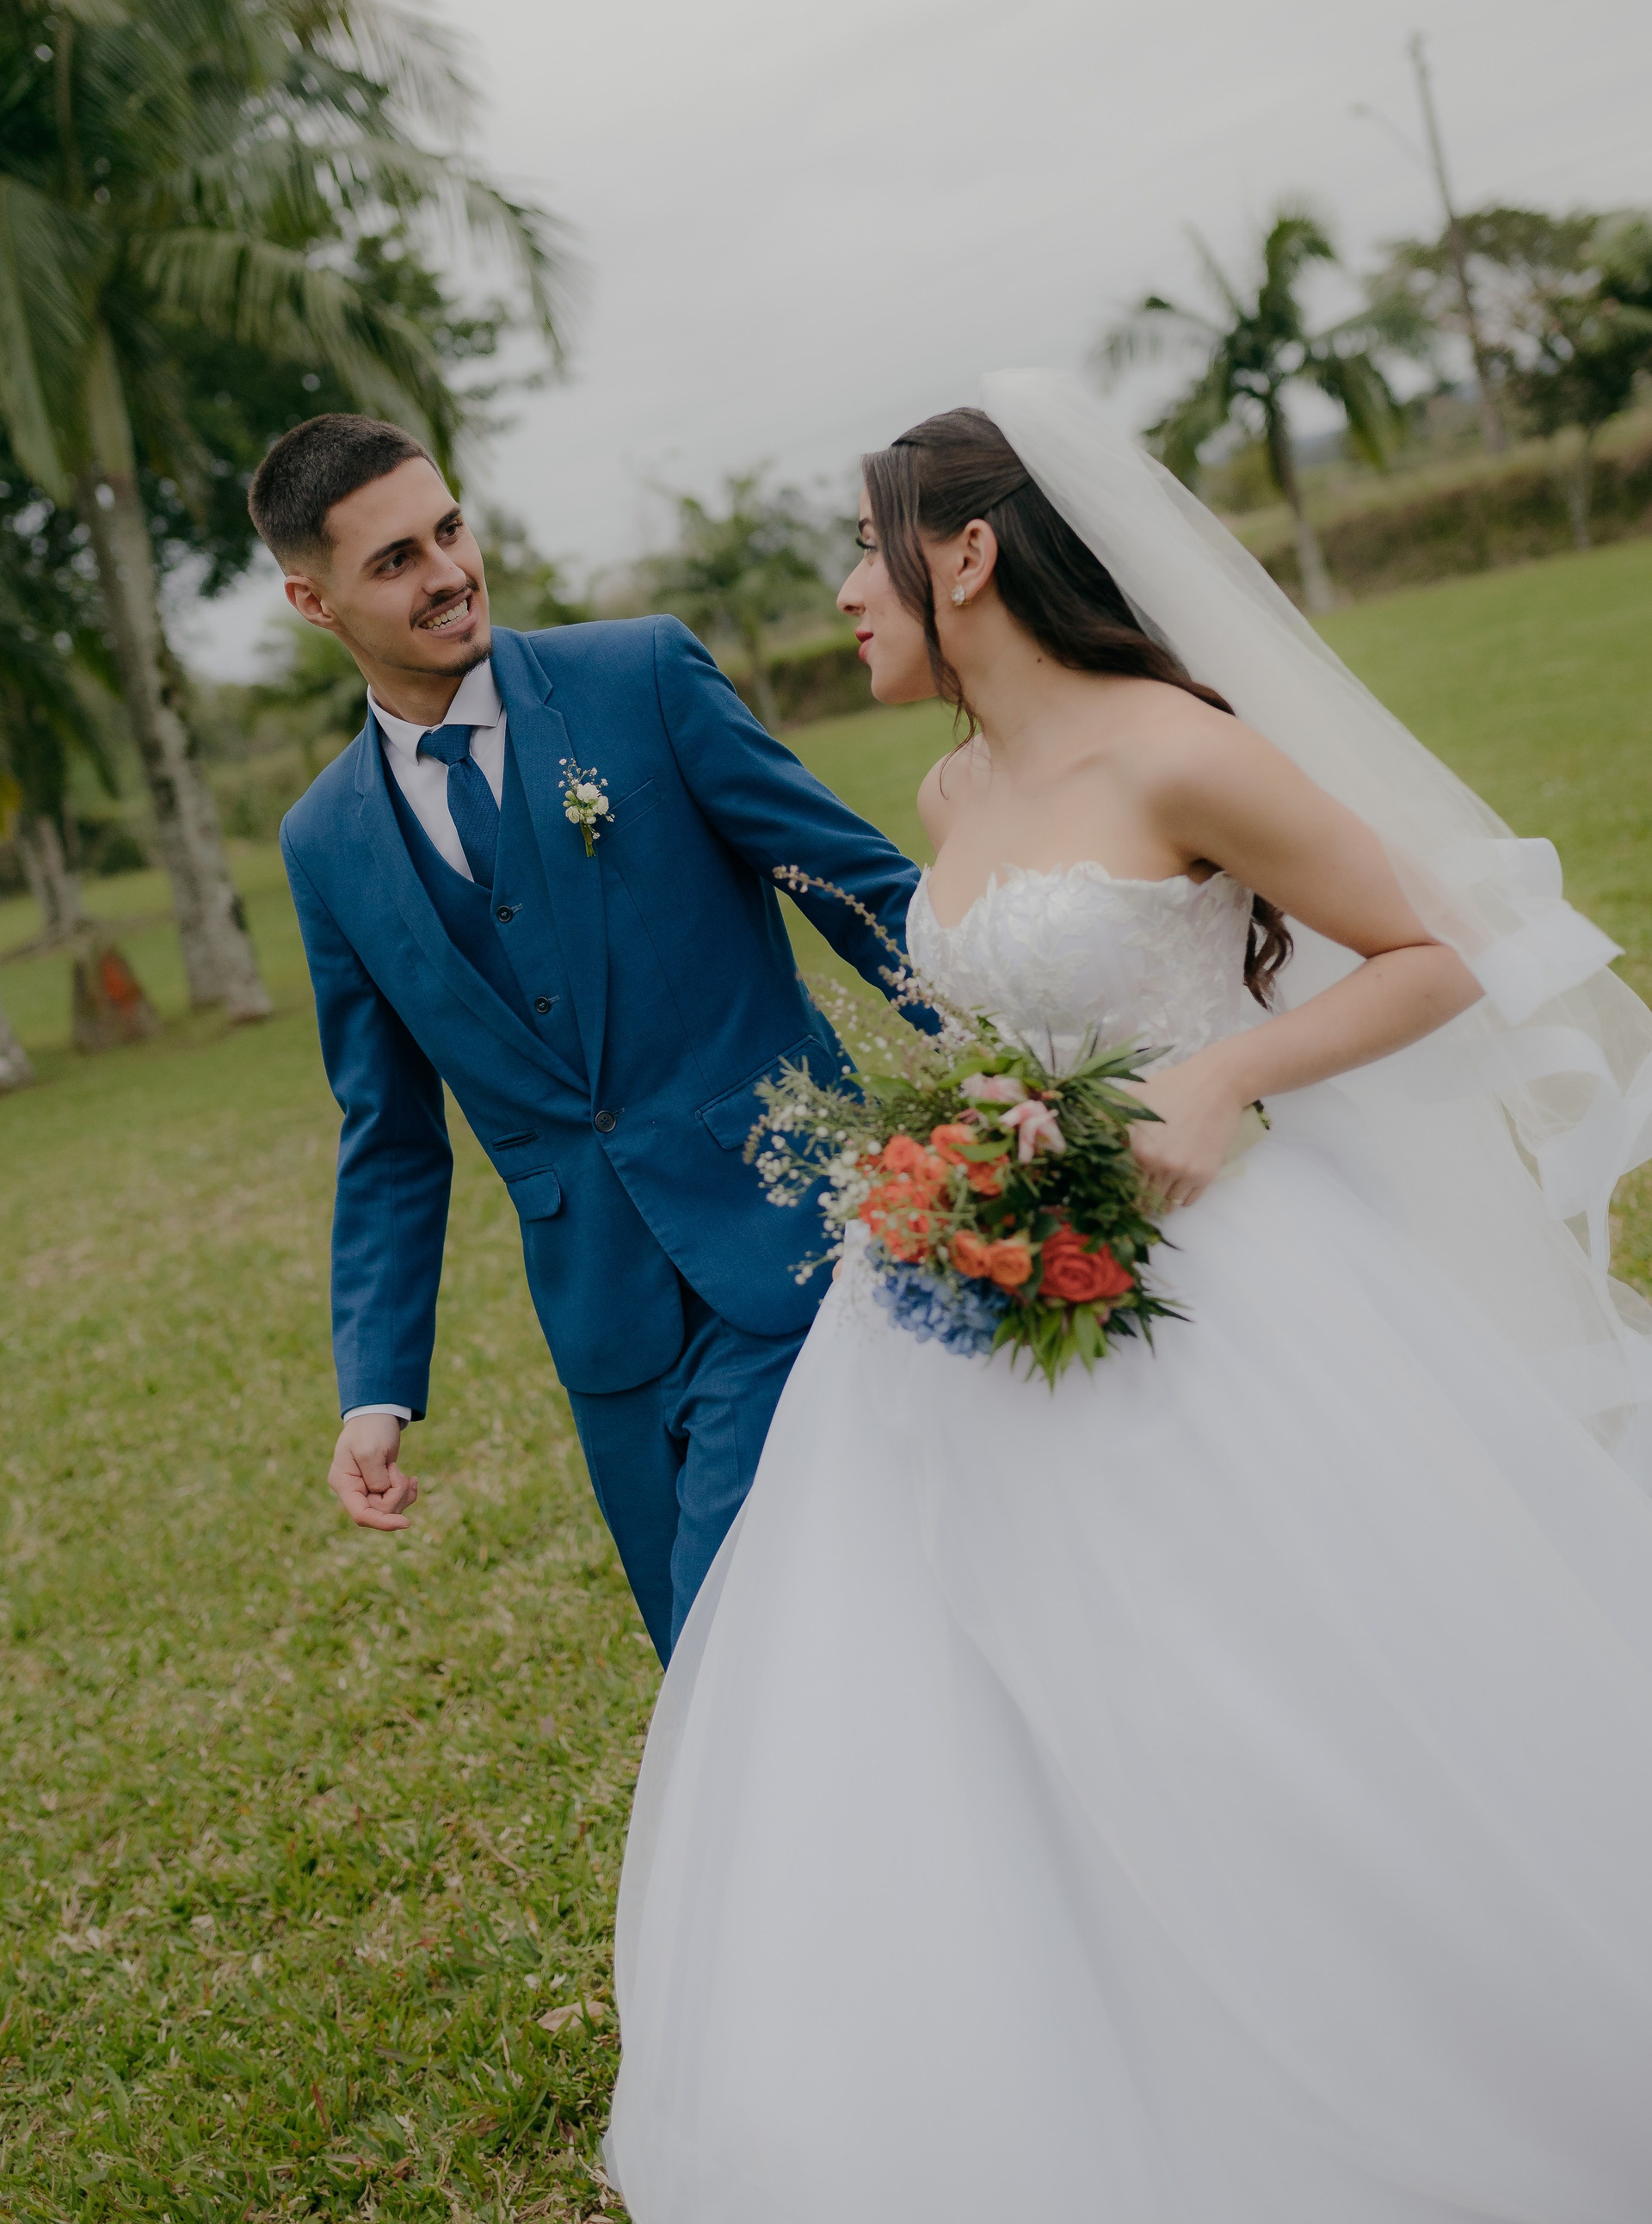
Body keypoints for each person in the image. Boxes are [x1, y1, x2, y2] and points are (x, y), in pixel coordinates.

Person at [603, 374, 1652, 2221]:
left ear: (967, 557)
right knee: (959, 1705)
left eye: (864, 550)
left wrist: (1227, 1074)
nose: (843, 591)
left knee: (1264, 1696)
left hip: (1222, 1294)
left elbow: (1435, 950)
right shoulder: (948, 786)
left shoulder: (1175, 749)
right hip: (959, 1321)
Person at [255, 413, 922, 1662]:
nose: (449, 572)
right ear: (314, 600)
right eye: (395, 559)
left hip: (792, 1236)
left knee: (746, 1639)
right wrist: (375, 1387)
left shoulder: (641, 677)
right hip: (606, 1328)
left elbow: (852, 886)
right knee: (694, 1650)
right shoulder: (323, 840)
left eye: (449, 530)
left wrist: (1033, 1044)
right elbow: (387, 1130)